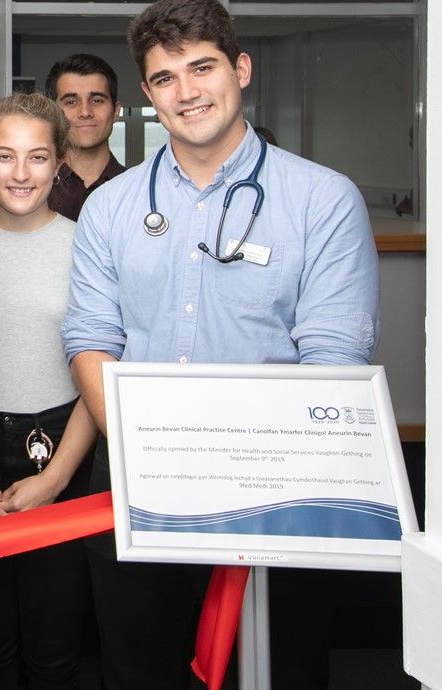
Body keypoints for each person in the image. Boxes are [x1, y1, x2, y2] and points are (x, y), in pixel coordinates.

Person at [62, 1, 379, 688]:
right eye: (166, 78)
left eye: (202, 68)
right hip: (137, 482)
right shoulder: (110, 208)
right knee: (140, 668)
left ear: (240, 69)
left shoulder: (323, 200)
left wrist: (237, 473)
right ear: (148, 95)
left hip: (280, 488)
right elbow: (91, 337)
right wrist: (148, 459)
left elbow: (332, 359)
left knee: (275, 667)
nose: (188, 92)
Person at [0, 91, 95, 690]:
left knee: (55, 644)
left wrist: (56, 479)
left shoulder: (89, 244)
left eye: (37, 157)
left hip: (66, 446)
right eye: (5, 156)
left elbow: (100, 374)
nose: (20, 173)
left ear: (60, 160)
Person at [44, 53, 125, 221]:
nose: (85, 112)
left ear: (116, 111)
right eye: (71, 102)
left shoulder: (139, 188)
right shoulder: (35, 190)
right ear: (53, 113)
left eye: (96, 100)